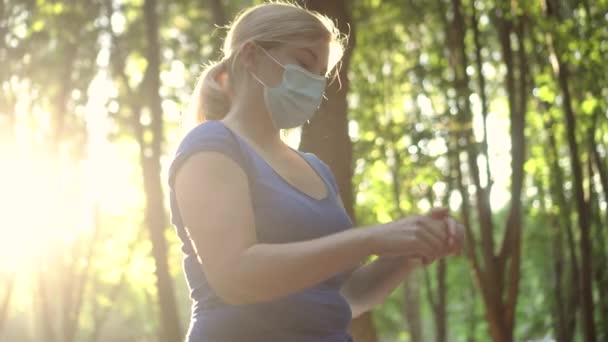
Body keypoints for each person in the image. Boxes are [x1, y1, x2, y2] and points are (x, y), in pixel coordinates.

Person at [168, 2, 465, 341]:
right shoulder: (211, 143)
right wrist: (371, 238)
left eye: (320, 74)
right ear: (250, 56)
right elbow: (235, 276)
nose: (313, 83)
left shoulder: (316, 169)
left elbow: (348, 297)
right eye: (304, 63)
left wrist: (411, 248)